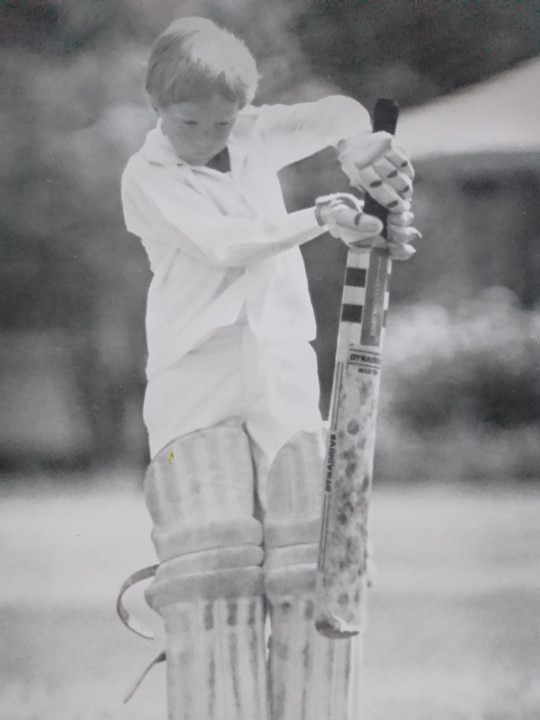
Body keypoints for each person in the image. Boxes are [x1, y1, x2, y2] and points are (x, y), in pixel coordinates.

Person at [121, 16, 418, 720]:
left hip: (281, 361)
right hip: (197, 374)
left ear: (242, 110)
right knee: (210, 568)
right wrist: (324, 214)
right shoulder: (147, 174)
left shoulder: (250, 134)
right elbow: (229, 246)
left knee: (312, 564)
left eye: (223, 123)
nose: (208, 139)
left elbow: (336, 114)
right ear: (157, 107)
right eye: (190, 123)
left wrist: (361, 149)